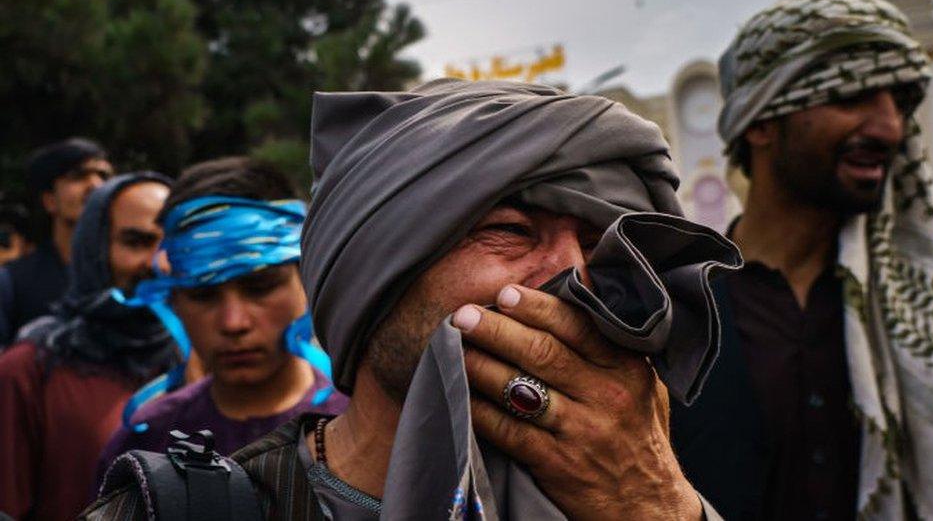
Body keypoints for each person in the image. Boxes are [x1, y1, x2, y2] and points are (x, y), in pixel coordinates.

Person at [84, 79, 742, 520]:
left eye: (600, 244)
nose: (572, 275)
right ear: (378, 269)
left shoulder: (639, 498)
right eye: (509, 231)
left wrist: (657, 501)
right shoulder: (186, 506)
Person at [669, 0, 933, 521]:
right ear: (761, 122)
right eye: (853, 98)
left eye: (898, 104)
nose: (889, 128)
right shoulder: (677, 307)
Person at [95, 157, 348, 485]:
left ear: (307, 279)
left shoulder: (366, 427)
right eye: (204, 295)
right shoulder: (145, 445)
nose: (234, 323)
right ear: (173, 300)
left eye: (260, 288)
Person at [0, 172, 178, 521]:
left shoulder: (203, 361)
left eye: (172, 245)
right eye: (136, 241)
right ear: (93, 249)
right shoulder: (30, 369)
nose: (158, 264)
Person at [0, 138, 114, 345]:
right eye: (78, 176)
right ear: (50, 201)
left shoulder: (135, 274)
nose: (96, 185)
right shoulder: (12, 284)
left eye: (104, 176)